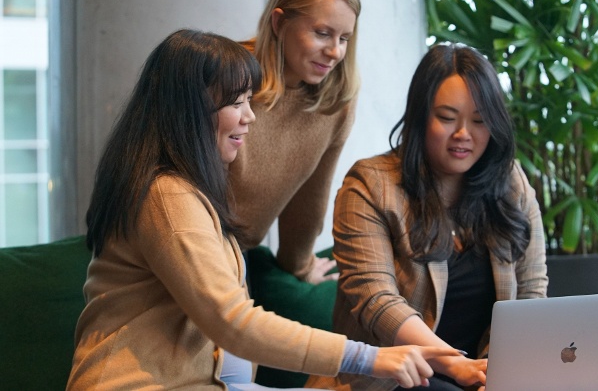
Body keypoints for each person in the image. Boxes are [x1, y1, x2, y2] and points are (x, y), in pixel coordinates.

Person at [66, 29, 463, 391]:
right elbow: (232, 322)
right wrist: (366, 357)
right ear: (190, 111)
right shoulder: (167, 197)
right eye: (236, 103)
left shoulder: (188, 192)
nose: (249, 116)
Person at [306, 44, 549, 391]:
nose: (464, 134)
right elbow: (377, 302)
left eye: (480, 121)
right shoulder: (370, 186)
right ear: (420, 117)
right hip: (390, 381)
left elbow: (531, 291)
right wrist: (456, 364)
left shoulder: (511, 184)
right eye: (448, 118)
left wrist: (495, 373)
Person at [231, 0, 361, 283]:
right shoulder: (226, 75)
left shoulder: (337, 103)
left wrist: (299, 266)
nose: (334, 51)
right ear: (279, 23)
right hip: (190, 246)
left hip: (234, 257)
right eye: (322, 33)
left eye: (344, 38)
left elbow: (310, 202)